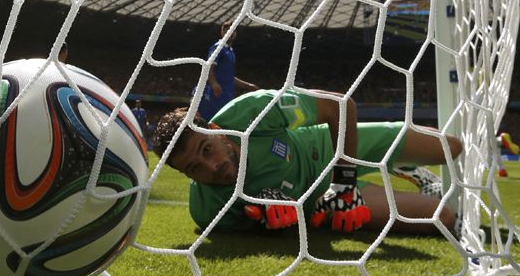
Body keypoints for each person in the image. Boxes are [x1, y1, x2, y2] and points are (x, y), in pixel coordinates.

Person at [153, 89, 463, 234]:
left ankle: (401, 165)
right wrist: (264, 218)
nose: (212, 168)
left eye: (207, 150)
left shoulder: (250, 111)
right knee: (442, 218)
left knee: (450, 147)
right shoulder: (206, 211)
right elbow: (249, 231)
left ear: (218, 132)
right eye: (194, 168)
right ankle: (408, 180)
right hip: (316, 202)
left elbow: (340, 106)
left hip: (323, 146)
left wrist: (343, 184)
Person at [197, 21, 259, 121]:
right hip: (216, 92)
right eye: (228, 30)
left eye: (233, 30)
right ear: (222, 32)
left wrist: (247, 85)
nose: (231, 32)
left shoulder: (230, 51)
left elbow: (229, 76)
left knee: (223, 122)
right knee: (212, 121)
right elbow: (208, 67)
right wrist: (214, 84)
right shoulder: (218, 47)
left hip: (227, 93)